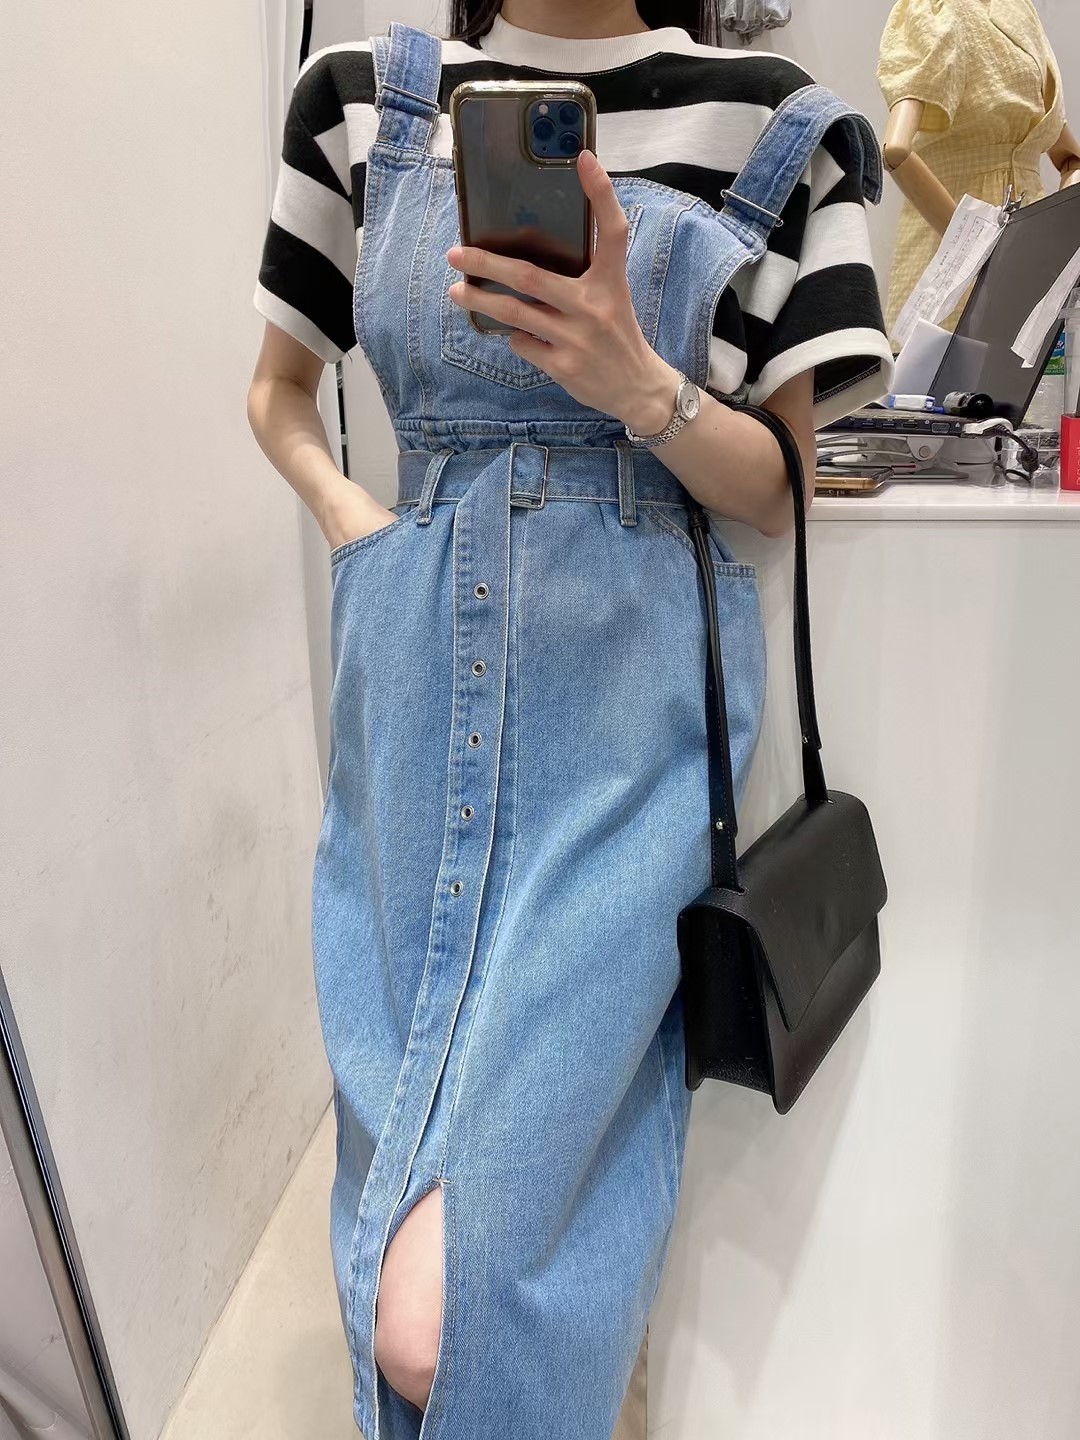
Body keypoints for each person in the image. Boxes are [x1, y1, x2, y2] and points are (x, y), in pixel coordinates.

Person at [246, 4, 893, 1438]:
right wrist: (361, 530)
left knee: (447, 1308)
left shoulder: (777, 117)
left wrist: (636, 384)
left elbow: (784, 485)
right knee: (399, 1204)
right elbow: (277, 393)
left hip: (630, 742)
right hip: (412, 707)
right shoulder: (354, 98)